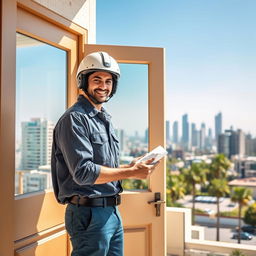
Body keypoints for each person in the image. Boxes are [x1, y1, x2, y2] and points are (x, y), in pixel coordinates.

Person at [51, 51, 159, 256]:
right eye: (97, 79)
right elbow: (83, 172)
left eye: (109, 81)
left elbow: (102, 167)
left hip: (111, 210)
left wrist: (130, 167)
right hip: (89, 213)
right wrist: (131, 173)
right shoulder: (74, 119)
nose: (103, 86)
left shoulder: (103, 118)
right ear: (83, 81)